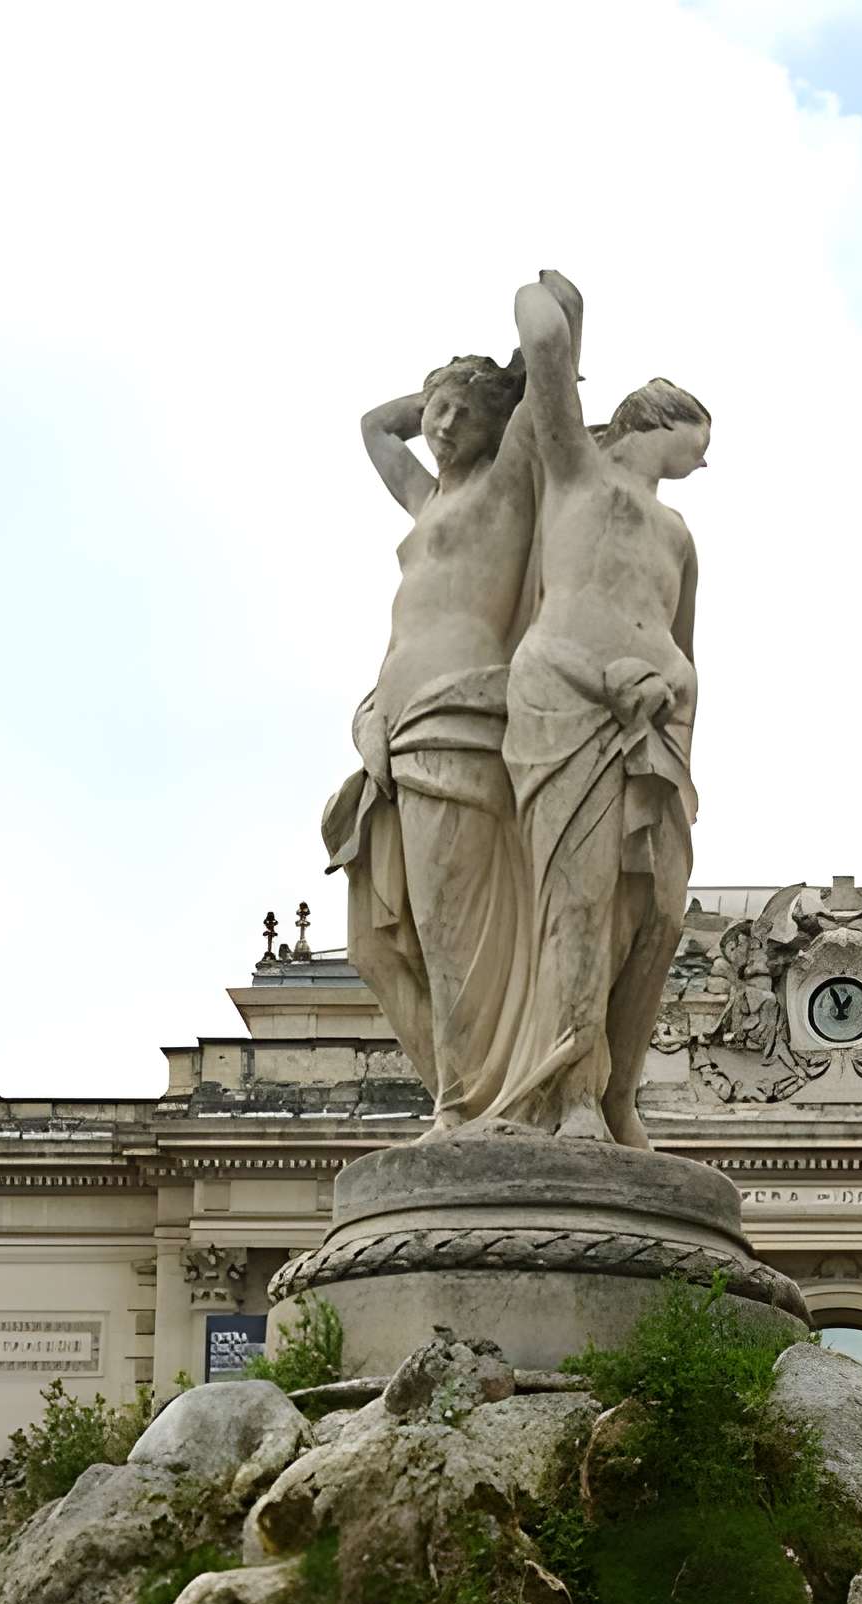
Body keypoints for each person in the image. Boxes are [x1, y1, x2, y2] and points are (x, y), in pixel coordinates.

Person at [326, 276, 583, 1131]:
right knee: (378, 942)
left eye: (458, 415)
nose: (439, 427)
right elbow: (373, 424)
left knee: (448, 927)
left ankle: (467, 1106)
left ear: (496, 423)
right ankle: (464, 1094)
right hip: (389, 729)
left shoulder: (510, 484)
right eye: (434, 411)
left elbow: (552, 334)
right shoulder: (426, 496)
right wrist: (444, 388)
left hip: (459, 715)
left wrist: (503, 376)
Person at [490, 275, 707, 1146]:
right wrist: (561, 305)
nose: (706, 459)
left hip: (656, 728)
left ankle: (616, 1089)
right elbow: (542, 341)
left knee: (656, 914)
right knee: (578, 901)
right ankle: (574, 1090)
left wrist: (674, 693)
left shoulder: (679, 533)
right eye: (701, 439)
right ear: (664, 419)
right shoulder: (575, 470)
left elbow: (688, 642)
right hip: (566, 701)